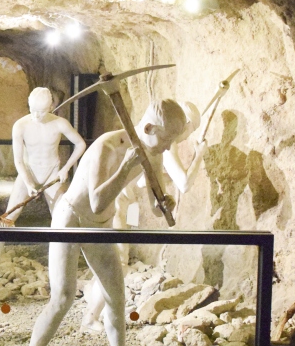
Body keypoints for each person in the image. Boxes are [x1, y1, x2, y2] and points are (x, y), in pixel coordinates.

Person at [21, 98, 188, 346]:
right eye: (166, 139)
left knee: (116, 295)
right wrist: (125, 167)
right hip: (71, 218)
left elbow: (153, 205)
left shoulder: (153, 153)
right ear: (149, 128)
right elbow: (97, 201)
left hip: (101, 225)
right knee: (63, 297)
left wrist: (165, 203)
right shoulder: (107, 146)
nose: (167, 147)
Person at [78, 101, 205, 333]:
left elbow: (157, 200)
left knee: (116, 261)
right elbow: (184, 183)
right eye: (190, 129)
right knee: (118, 261)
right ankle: (93, 314)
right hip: (115, 205)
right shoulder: (162, 145)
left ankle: (98, 308)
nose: (187, 135)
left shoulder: (160, 144)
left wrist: (164, 202)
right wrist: (199, 155)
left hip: (128, 205)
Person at [0, 87, 87, 261]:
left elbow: (80, 144)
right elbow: (18, 160)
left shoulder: (60, 123)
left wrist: (66, 168)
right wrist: (28, 183)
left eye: (42, 111)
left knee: (61, 216)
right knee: (10, 214)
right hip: (29, 171)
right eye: (33, 110)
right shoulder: (20, 125)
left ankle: (63, 258)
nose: (36, 115)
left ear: (51, 107)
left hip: (52, 172)